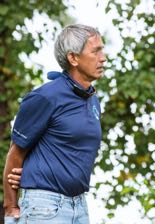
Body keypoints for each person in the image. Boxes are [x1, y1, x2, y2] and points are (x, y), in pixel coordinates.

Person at [3, 24, 106, 224]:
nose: (103, 58)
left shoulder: (93, 99)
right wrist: (11, 207)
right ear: (73, 58)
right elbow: (15, 154)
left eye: (102, 49)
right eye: (95, 51)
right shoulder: (45, 97)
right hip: (45, 208)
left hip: (80, 206)